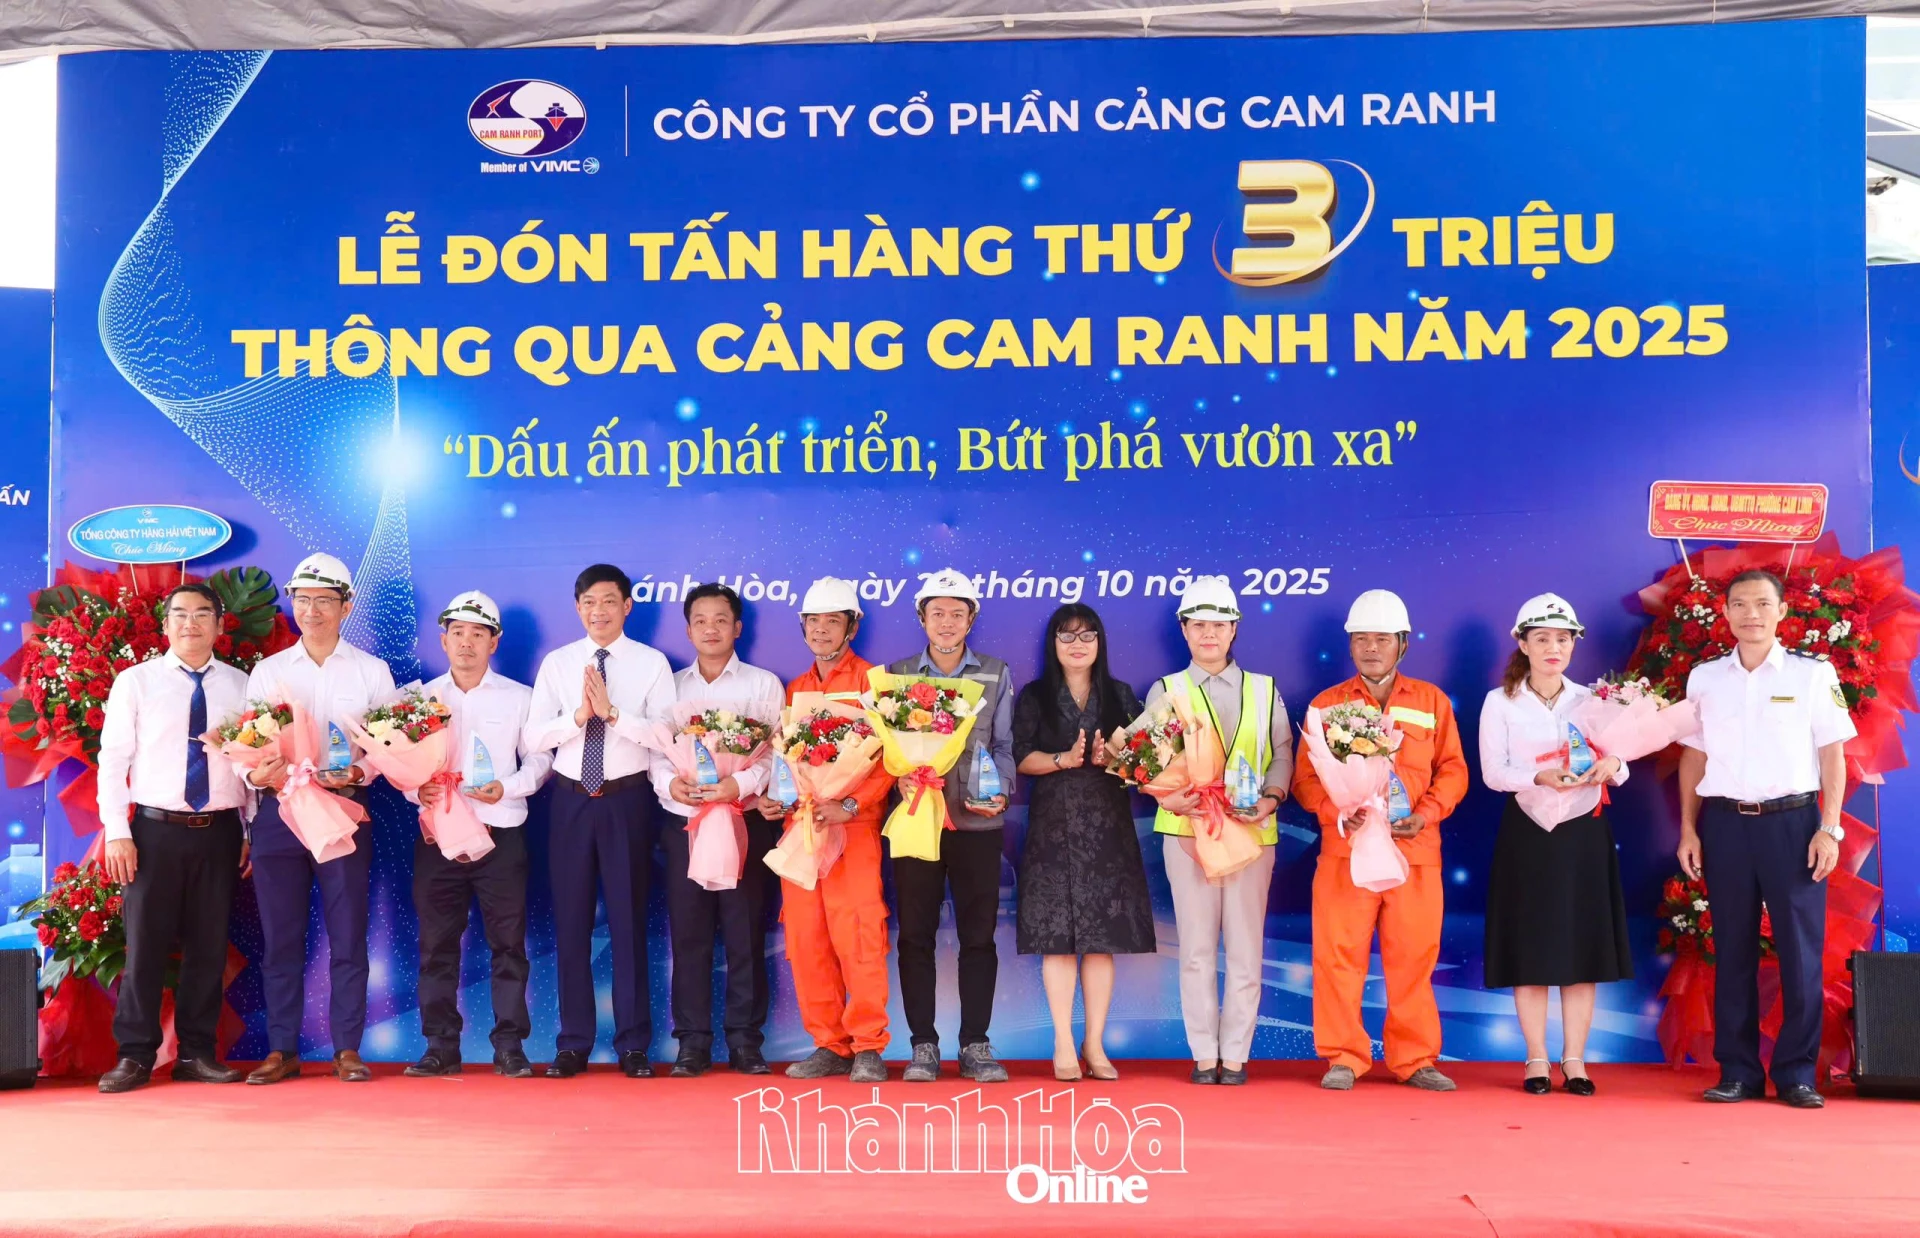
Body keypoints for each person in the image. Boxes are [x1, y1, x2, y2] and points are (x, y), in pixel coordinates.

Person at [1678, 569, 1854, 1109]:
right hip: (1726, 824)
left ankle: (1797, 1073)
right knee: (1731, 949)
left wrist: (1830, 827)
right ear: (1725, 614)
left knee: (1800, 950)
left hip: (1794, 824)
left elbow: (1833, 756)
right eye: (1738, 604)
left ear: (1781, 612)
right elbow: (1694, 755)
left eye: (1761, 604)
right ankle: (1738, 1071)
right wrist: (1688, 827)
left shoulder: (1813, 675)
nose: (1750, 613)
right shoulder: (1705, 678)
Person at [1294, 588, 1468, 1092]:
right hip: (1346, 853)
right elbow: (1306, 780)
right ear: (1350, 646)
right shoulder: (1327, 705)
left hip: (1415, 853)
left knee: (1414, 956)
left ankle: (1415, 1059)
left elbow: (1454, 770)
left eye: (1382, 639)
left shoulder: (1432, 701)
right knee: (1338, 955)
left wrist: (1428, 814)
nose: (1371, 648)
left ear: (1403, 644)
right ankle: (1343, 1057)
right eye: (1361, 639)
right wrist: (1336, 812)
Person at [244, 552, 396, 1084]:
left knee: (348, 934)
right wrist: (259, 774)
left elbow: (389, 745)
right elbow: (249, 744)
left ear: (346, 606)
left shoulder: (372, 671)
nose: (311, 610)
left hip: (344, 810)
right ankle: (282, 1050)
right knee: (281, 936)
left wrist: (357, 769)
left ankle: (347, 1049)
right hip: (280, 814)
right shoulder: (269, 672)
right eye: (302, 599)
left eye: (324, 601)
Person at [95, 583, 253, 1093]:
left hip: (221, 832)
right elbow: (112, 762)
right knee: (145, 947)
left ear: (218, 624)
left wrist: (247, 828)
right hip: (153, 832)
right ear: (166, 626)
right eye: (179, 615)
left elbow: (251, 762)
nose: (190, 623)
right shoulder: (135, 682)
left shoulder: (242, 686)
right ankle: (135, 1056)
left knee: (209, 946)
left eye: (202, 614)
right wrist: (118, 832)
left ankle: (197, 1053)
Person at [524, 563, 676, 1079]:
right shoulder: (559, 663)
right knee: (570, 922)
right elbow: (532, 739)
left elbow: (666, 736)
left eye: (609, 601)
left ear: (627, 606)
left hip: (627, 801)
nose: (599, 611)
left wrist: (612, 714)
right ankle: (573, 1043)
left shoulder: (651, 663)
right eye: (589, 602)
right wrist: (577, 718)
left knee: (630, 920)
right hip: (569, 801)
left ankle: (634, 1044)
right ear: (577, 607)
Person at [1477, 593, 1632, 1096]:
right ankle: (1536, 1059)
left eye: (1562, 639)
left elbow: (1622, 760)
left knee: (1581, 945)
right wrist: (1539, 776)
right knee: (1532, 945)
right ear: (1522, 643)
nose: (1552, 648)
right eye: (1541, 638)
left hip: (1584, 830)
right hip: (1529, 830)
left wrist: (1615, 766)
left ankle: (1576, 1061)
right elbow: (1493, 773)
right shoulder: (1500, 701)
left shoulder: (1593, 699)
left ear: (1573, 646)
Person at [1142, 576, 1292, 1086]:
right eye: (1198, 624)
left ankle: (1236, 1055)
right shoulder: (1167, 690)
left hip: (1252, 836)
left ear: (1234, 630)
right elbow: (1146, 761)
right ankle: (1204, 1054)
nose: (1209, 634)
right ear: (1183, 631)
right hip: (1187, 833)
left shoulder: (1265, 689)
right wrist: (1168, 795)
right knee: (1198, 950)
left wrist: (1270, 799)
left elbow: (1282, 754)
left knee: (1247, 949)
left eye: (1219, 624)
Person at [401, 591, 551, 1080]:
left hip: (499, 835)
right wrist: (413, 789)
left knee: (508, 945)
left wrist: (505, 787)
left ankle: (510, 1046)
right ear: (443, 639)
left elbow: (540, 763)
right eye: (458, 633)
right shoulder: (418, 700)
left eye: (478, 633)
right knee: (436, 946)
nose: (467, 642)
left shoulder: (520, 697)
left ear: (495, 641)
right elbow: (402, 767)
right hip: (438, 836)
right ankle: (440, 1046)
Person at [757, 577, 894, 1084]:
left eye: (831, 621)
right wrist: (775, 799)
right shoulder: (796, 688)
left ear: (852, 626)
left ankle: (868, 1046)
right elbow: (785, 762)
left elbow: (891, 760)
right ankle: (829, 1044)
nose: (820, 631)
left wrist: (853, 801)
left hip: (853, 828)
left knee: (859, 934)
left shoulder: (872, 685)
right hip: (804, 827)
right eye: (812, 622)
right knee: (806, 936)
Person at [1013, 602, 1154, 1083]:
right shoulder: (1034, 695)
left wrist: (1112, 757)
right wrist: (1061, 759)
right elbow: (1018, 758)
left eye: (1087, 635)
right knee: (1056, 941)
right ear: (1053, 644)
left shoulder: (1120, 695)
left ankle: (1094, 1043)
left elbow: (1145, 763)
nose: (1077, 644)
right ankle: (1061, 1041)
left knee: (1101, 942)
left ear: (1100, 643)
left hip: (1107, 829)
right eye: (1066, 636)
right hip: (1053, 828)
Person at [887, 568, 1016, 1084]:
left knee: (978, 937)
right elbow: (885, 751)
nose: (946, 622)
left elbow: (1005, 746)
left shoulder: (995, 672)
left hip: (977, 825)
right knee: (914, 935)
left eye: (956, 613)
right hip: (919, 820)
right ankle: (922, 1045)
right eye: (936, 612)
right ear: (921, 618)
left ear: (972, 619)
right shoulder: (896, 675)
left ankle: (975, 1044)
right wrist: (899, 777)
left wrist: (1001, 790)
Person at [651, 583, 785, 1078]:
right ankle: (692, 1042)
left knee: (745, 933)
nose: (711, 628)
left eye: (721, 619)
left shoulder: (763, 684)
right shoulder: (670, 688)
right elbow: (653, 754)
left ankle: (746, 1042)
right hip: (685, 823)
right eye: (701, 620)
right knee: (689, 935)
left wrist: (738, 783)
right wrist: (672, 785)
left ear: (738, 628)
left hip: (743, 819)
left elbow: (774, 753)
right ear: (688, 630)